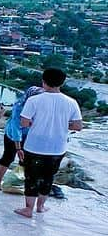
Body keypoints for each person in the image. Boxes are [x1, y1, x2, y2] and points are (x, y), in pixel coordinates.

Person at [14, 68, 83, 218]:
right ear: (62, 82)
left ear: (43, 82)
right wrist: (64, 125)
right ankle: (41, 206)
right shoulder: (71, 102)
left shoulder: (34, 100)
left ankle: (28, 209)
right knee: (48, 177)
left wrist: (37, 123)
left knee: (31, 177)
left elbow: (24, 123)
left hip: (34, 145)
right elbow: (78, 126)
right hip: (57, 147)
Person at [0, 85, 40, 191]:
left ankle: (19, 183)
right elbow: (16, 128)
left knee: (26, 160)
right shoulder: (19, 106)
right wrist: (18, 148)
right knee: (8, 157)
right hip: (12, 135)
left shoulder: (39, 107)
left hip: (28, 136)